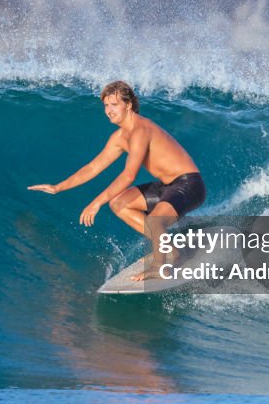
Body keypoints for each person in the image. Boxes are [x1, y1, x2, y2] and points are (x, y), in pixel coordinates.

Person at [28, 81, 205, 281]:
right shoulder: (120, 137)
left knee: (156, 220)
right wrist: (58, 187)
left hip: (189, 185)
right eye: (106, 105)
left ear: (128, 105)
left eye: (114, 105)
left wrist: (96, 203)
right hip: (167, 186)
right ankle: (171, 251)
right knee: (120, 203)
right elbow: (93, 167)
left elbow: (129, 175)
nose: (109, 111)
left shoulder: (140, 130)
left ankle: (158, 267)